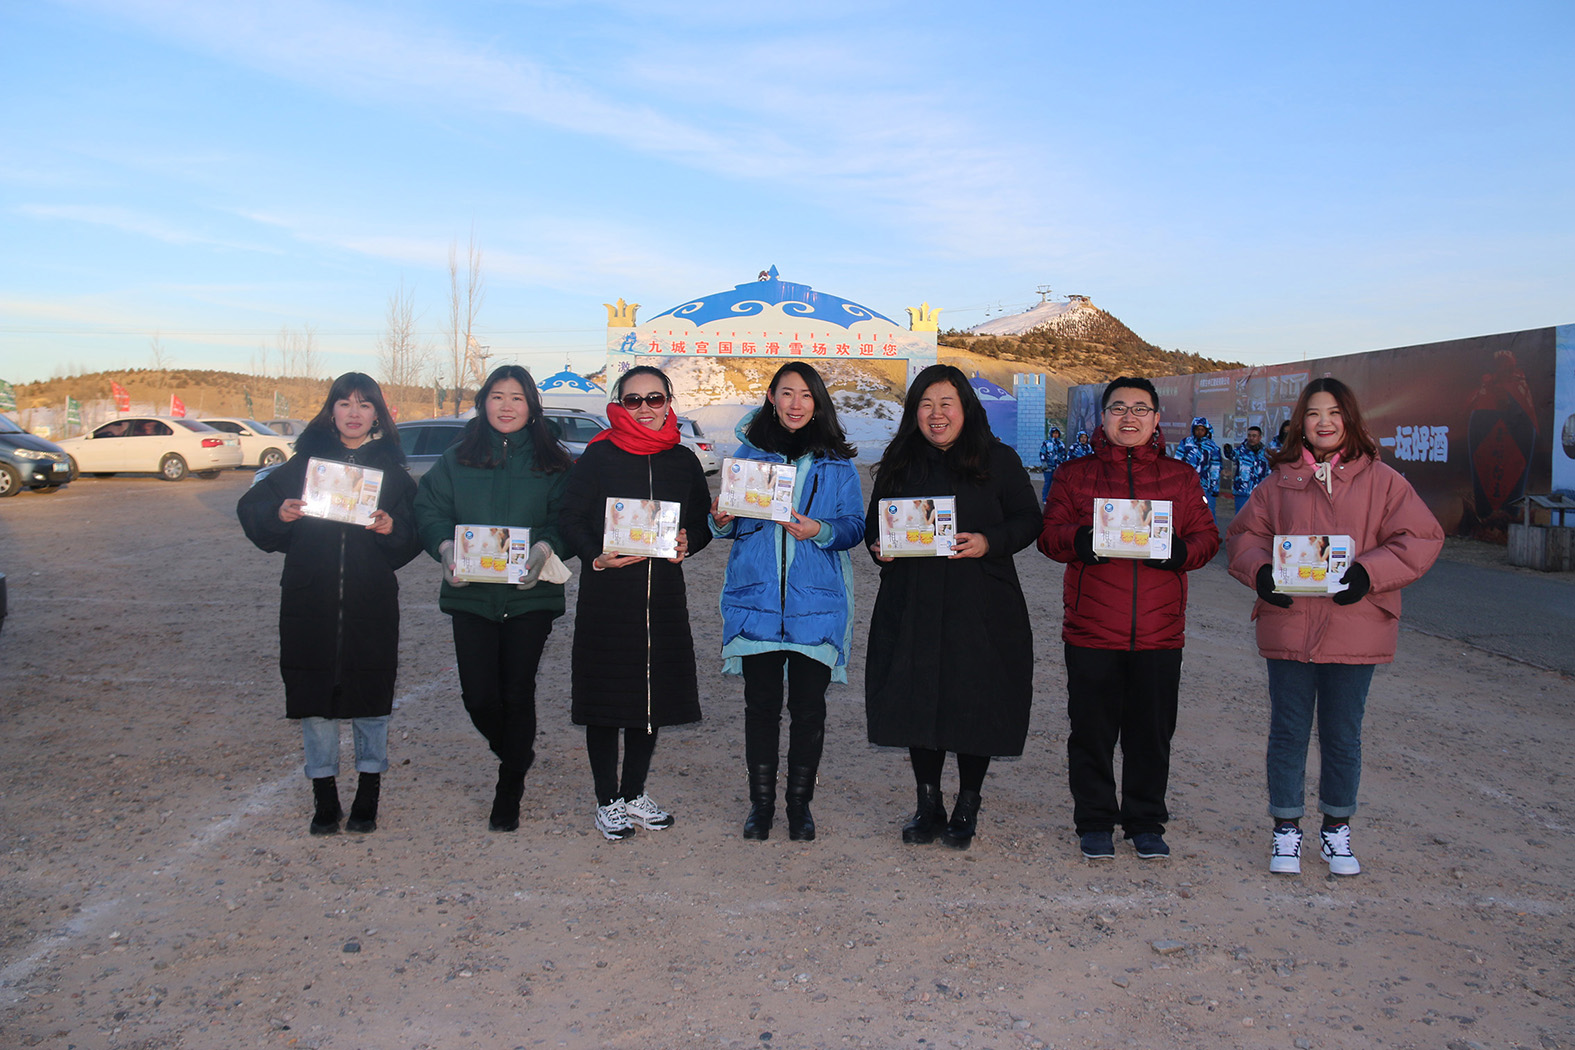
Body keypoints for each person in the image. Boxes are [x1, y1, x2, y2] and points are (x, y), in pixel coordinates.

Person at [1225, 378, 1442, 876]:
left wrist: (1368, 574)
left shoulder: (1383, 480)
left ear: (1350, 419)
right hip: (1290, 625)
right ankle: (1285, 829)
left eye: (1334, 412)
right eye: (1313, 413)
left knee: (1343, 734)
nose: (1323, 422)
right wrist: (1261, 573)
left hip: (1355, 627)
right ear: (1300, 423)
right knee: (1288, 732)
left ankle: (1336, 830)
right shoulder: (1278, 481)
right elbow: (1245, 536)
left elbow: (1421, 536)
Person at [1039, 376, 1221, 861]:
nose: (1129, 417)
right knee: (1091, 733)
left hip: (1160, 633)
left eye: (1140, 409)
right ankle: (1095, 820)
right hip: (1092, 629)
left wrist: (1180, 551)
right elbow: (1049, 534)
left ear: (1157, 419)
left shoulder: (1181, 477)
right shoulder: (1074, 475)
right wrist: (1080, 541)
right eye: (1118, 408)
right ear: (1103, 418)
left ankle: (1145, 821)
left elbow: (1207, 538)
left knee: (1152, 735)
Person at [864, 364, 1041, 850]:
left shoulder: (998, 460)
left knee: (975, 697)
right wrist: (880, 547)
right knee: (917, 695)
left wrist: (989, 541)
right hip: (912, 600)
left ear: (966, 408)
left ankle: (967, 802)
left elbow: (1029, 519)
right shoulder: (900, 461)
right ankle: (928, 803)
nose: (936, 414)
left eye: (946, 403)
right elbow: (875, 526)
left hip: (981, 603)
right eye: (925, 404)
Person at [237, 373, 420, 836]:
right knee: (314, 697)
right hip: (310, 597)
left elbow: (415, 531)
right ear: (331, 410)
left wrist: (391, 529)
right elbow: (252, 508)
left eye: (364, 404)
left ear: (378, 414)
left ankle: (368, 793)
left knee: (371, 697)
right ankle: (324, 796)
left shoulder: (392, 473)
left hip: (369, 599)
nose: (354, 413)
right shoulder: (303, 465)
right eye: (345, 403)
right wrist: (279, 514)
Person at [413, 365, 573, 833]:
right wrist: (445, 548)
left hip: (530, 596)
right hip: (471, 595)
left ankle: (509, 788)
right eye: (498, 396)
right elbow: (429, 509)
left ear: (532, 407)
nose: (507, 406)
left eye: (517, 398)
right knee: (479, 696)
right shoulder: (457, 458)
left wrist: (545, 549)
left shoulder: (554, 462)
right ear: (483, 402)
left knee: (517, 691)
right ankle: (517, 753)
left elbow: (567, 519)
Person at [710, 362, 864, 842]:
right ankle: (761, 806)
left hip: (815, 604)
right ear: (771, 398)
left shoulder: (837, 464)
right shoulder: (747, 456)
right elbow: (729, 525)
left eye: (806, 395)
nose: (796, 404)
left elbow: (855, 527)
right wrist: (720, 518)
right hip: (755, 600)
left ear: (818, 403)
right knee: (760, 708)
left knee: (808, 709)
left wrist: (820, 530)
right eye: (786, 393)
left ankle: (799, 806)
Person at [558, 365, 713, 840]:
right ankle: (607, 800)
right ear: (619, 405)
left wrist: (689, 541)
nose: (645, 408)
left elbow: (702, 523)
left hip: (662, 597)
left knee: (652, 697)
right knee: (605, 699)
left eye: (654, 399)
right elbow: (569, 517)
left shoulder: (682, 460)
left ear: (669, 403)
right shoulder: (598, 455)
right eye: (633, 400)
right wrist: (595, 555)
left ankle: (633, 793)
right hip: (608, 596)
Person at [1174, 416, 1223, 518]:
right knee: (1185, 510)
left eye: (1202, 430)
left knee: (1208, 511)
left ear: (1206, 431)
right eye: (1197, 429)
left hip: (1205, 486)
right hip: (1187, 484)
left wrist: (1214, 486)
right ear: (1193, 429)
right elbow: (1177, 462)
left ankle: (1209, 528)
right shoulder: (1186, 443)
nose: (1199, 432)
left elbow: (1215, 468)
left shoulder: (1212, 447)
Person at [1222, 425, 1273, 514]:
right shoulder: (1241, 451)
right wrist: (1227, 450)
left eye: (1254, 436)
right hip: (1242, 492)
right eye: (1249, 435)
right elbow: (1231, 455)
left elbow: (1270, 472)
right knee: (1241, 517)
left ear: (1260, 437)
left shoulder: (1266, 453)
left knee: (1258, 518)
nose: (1251, 438)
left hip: (1260, 493)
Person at [1038, 425, 1068, 506]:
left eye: (1057, 433)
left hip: (1058, 467)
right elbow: (1042, 453)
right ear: (1051, 434)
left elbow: (1064, 455)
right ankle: (1045, 498)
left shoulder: (1061, 444)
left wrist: (1063, 465)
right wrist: (1044, 462)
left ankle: (1056, 498)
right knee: (1048, 483)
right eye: (1054, 433)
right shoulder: (1046, 443)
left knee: (1057, 484)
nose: (1055, 435)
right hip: (1048, 467)